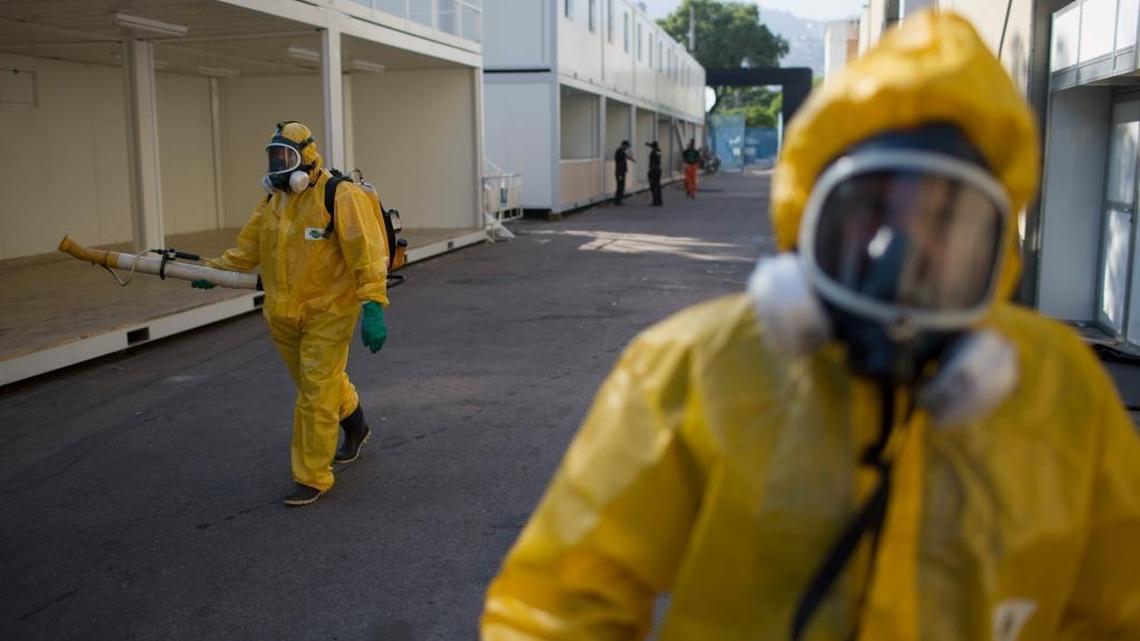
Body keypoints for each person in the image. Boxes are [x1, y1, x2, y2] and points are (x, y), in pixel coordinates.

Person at [482, 11, 1140, 641]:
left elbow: (1117, 613)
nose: (901, 252)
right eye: (873, 209)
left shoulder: (1060, 391)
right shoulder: (699, 367)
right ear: (812, 214)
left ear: (994, 244)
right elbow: (559, 606)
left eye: (946, 219)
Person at [192, 121, 389, 507]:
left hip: (330, 311)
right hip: (282, 313)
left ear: (308, 158)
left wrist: (373, 306)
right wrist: (213, 271)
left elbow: (366, 254)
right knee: (317, 383)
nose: (280, 165)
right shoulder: (273, 202)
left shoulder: (339, 195)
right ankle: (357, 426)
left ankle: (312, 476)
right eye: (275, 156)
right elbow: (248, 249)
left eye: (287, 156)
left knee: (314, 393)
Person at [614, 140, 635, 206]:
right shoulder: (619, 151)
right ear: (623, 145)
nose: (627, 148)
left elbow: (627, 156)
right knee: (620, 186)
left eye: (628, 146)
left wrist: (632, 159)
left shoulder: (621, 151)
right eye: (627, 146)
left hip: (622, 172)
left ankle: (619, 201)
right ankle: (618, 201)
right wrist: (631, 158)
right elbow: (625, 157)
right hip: (620, 173)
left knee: (621, 186)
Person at [646, 141, 663, 207]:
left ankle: (655, 201)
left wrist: (650, 171)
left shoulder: (653, 152)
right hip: (658, 170)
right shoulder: (658, 151)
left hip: (654, 170)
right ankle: (659, 201)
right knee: (657, 186)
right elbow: (656, 149)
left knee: (653, 186)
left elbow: (653, 162)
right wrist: (649, 145)